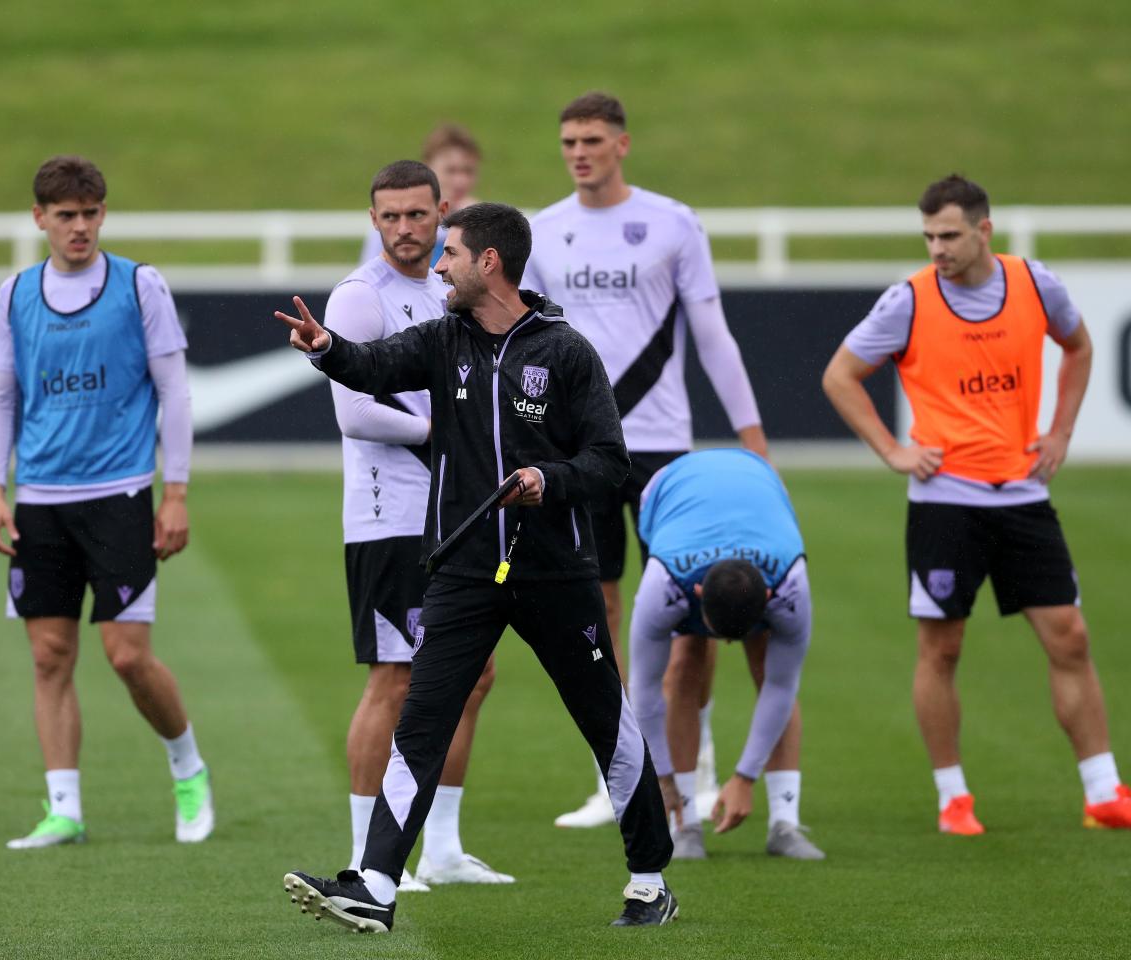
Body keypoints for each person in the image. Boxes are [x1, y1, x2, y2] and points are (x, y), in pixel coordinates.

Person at [276, 202, 676, 932]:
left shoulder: (566, 352)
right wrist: (326, 347)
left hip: (556, 573)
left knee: (604, 718)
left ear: (489, 262)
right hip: (463, 572)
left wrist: (548, 480)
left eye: (451, 253)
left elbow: (610, 461)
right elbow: (372, 367)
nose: (438, 266)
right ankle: (376, 884)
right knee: (422, 720)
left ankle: (650, 879)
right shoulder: (441, 338)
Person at [822, 173, 1131, 834]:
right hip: (945, 503)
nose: (937, 248)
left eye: (950, 236)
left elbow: (1078, 347)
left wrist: (1061, 432)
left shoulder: (1035, 284)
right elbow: (840, 375)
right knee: (942, 649)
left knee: (1070, 636)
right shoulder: (908, 300)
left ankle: (1104, 791)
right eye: (929, 236)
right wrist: (893, 451)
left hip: (1023, 495)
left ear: (984, 230)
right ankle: (953, 797)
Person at [520, 90, 768, 829]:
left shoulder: (672, 223)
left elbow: (712, 333)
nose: (579, 153)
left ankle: (695, 760)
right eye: (569, 141)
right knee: (596, 610)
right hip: (580, 449)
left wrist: (751, 434)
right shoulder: (543, 230)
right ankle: (621, 770)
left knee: (692, 608)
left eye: (592, 140)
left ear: (622, 144)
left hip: (662, 448)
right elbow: (531, 345)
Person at [0, 155, 213, 848]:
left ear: (103, 214)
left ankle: (188, 768)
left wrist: (176, 491)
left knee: (127, 656)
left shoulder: (139, 285)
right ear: (40, 218)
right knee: (49, 655)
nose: (79, 227)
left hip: (120, 494)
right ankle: (64, 808)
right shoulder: (15, 294)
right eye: (65, 216)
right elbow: (0, 397)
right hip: (40, 500)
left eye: (89, 214)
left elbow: (175, 392)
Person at [328, 160, 510, 888]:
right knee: (395, 680)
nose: (405, 229)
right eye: (390, 216)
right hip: (392, 515)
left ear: (443, 212)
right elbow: (353, 411)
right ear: (373, 219)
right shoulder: (359, 297)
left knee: (474, 674)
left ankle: (442, 848)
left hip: (458, 514)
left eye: (417, 214)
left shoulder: (452, 290)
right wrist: (446, 435)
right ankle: (364, 857)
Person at [627, 449, 825, 861]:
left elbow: (782, 686)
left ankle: (785, 823)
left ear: (768, 598)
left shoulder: (790, 582)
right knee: (685, 662)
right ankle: (685, 823)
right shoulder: (664, 583)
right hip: (669, 492)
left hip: (762, 489)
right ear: (696, 596)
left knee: (767, 664)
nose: (730, 645)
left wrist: (744, 778)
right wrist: (661, 777)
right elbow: (644, 690)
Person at [359, 123, 482, 267]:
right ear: (428, 168)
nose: (460, 181)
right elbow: (371, 273)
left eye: (468, 171)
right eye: (451, 170)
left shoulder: (481, 224)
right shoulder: (394, 222)